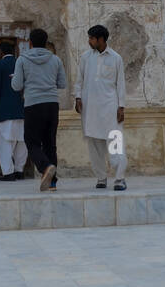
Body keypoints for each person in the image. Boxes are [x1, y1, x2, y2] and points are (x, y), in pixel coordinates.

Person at [11, 29, 66, 191]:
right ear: (46, 42)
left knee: (32, 141)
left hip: (33, 104)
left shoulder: (22, 60)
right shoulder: (55, 59)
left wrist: (16, 77)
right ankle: (52, 182)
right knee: (50, 143)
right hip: (52, 104)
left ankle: (45, 166)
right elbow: (62, 84)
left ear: (30, 42)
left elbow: (17, 85)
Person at [75, 24, 127, 191]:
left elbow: (121, 85)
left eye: (92, 38)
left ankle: (119, 178)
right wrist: (77, 97)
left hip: (110, 109)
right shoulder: (85, 57)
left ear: (101, 39)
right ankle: (101, 178)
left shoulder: (116, 58)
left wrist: (121, 107)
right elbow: (79, 80)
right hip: (90, 110)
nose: (89, 41)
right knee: (94, 145)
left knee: (115, 143)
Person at [0, 41, 26, 181]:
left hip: (4, 110)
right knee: (21, 141)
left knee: (5, 142)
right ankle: (19, 170)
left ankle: (8, 172)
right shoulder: (22, 63)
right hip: (22, 109)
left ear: (1, 52)